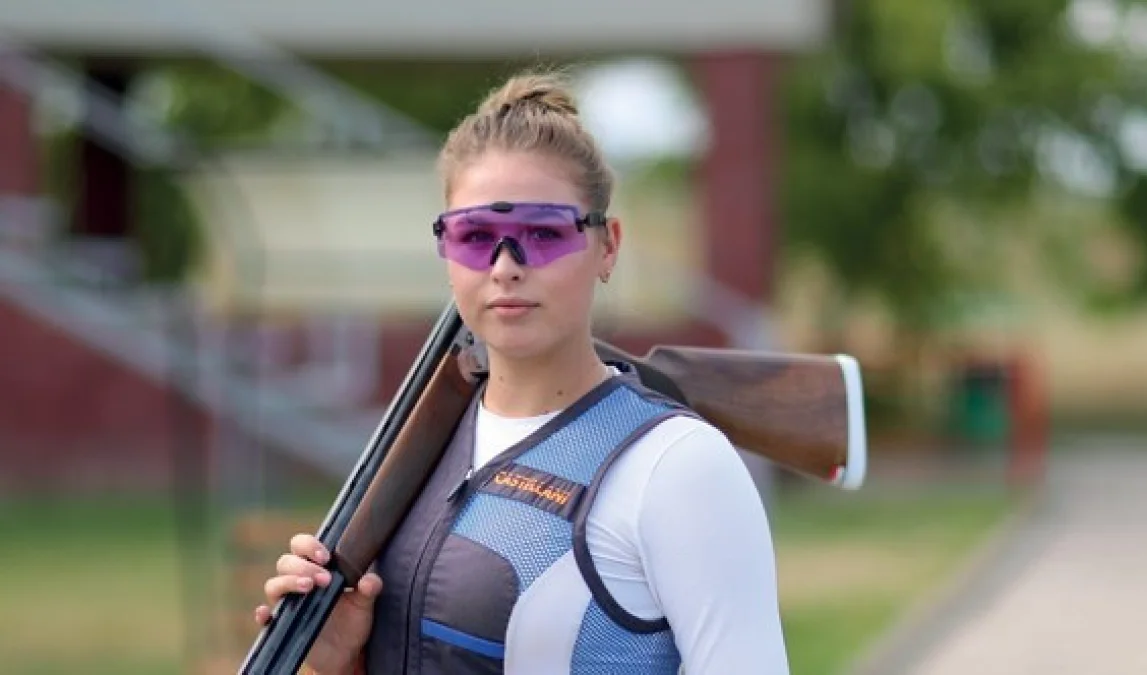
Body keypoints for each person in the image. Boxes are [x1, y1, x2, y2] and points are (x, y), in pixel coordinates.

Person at [256, 68, 791, 675]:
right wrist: (342, 660)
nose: (506, 266)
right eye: (475, 235)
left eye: (542, 233)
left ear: (608, 245)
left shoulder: (680, 467)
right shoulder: (417, 446)